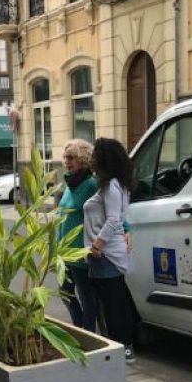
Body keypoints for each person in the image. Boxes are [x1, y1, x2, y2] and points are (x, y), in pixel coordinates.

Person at [84, 138, 138, 362]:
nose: (91, 158)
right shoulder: (113, 184)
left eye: (95, 154)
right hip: (107, 254)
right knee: (116, 301)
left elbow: (114, 220)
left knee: (112, 305)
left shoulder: (111, 185)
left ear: (104, 158)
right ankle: (123, 347)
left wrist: (97, 245)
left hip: (106, 255)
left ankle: (122, 350)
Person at [57, 139, 100, 332]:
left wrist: (125, 228)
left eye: (72, 157)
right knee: (65, 292)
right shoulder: (69, 183)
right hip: (64, 252)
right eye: (66, 157)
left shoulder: (91, 184)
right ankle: (80, 326)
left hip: (80, 252)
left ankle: (88, 332)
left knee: (86, 297)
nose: (67, 161)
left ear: (83, 159)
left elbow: (108, 208)